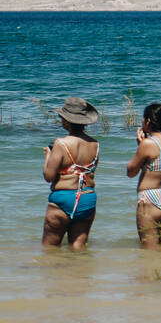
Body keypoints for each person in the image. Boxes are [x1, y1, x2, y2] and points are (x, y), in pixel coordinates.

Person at [42, 97, 100, 249]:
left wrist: (48, 155)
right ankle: (79, 273)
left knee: (50, 249)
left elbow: (49, 176)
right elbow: (88, 171)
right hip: (87, 198)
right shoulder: (95, 144)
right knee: (79, 248)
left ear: (66, 120)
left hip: (63, 198)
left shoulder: (61, 143)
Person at [125, 102, 161, 248]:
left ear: (148, 121)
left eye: (143, 119)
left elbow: (131, 172)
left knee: (149, 252)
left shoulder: (147, 144)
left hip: (150, 199)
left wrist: (140, 145)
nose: (141, 122)